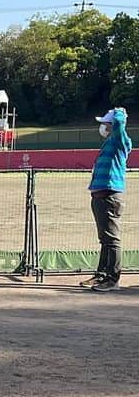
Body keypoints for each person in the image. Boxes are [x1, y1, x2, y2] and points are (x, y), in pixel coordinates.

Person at [81, 107, 131, 291]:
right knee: (105, 239)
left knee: (112, 239)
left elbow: (119, 125)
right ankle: (102, 275)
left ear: (112, 125)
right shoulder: (109, 142)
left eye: (105, 123)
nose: (102, 127)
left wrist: (119, 113)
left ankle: (112, 279)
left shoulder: (120, 139)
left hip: (110, 196)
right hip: (100, 196)